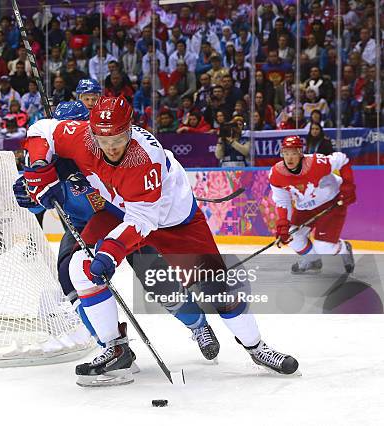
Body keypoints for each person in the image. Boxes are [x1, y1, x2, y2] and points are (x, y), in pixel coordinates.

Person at [23, 96, 299, 386]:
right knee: (79, 266)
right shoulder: (85, 137)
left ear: (130, 130)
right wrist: (39, 166)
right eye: (103, 141)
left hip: (173, 221)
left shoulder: (144, 159)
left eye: (118, 139)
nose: (111, 148)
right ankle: (115, 348)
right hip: (120, 211)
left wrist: (110, 253)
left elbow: (142, 222)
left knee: (218, 287)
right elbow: (41, 131)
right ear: (91, 132)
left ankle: (257, 348)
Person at [270, 135, 356, 274]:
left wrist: (348, 186)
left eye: (293, 153)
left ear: (300, 153)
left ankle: (344, 248)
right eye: (286, 153)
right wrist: (283, 223)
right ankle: (313, 260)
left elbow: (342, 159)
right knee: (293, 236)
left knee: (324, 248)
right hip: (305, 208)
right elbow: (282, 201)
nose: (289, 158)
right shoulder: (276, 174)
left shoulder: (316, 163)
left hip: (330, 203)